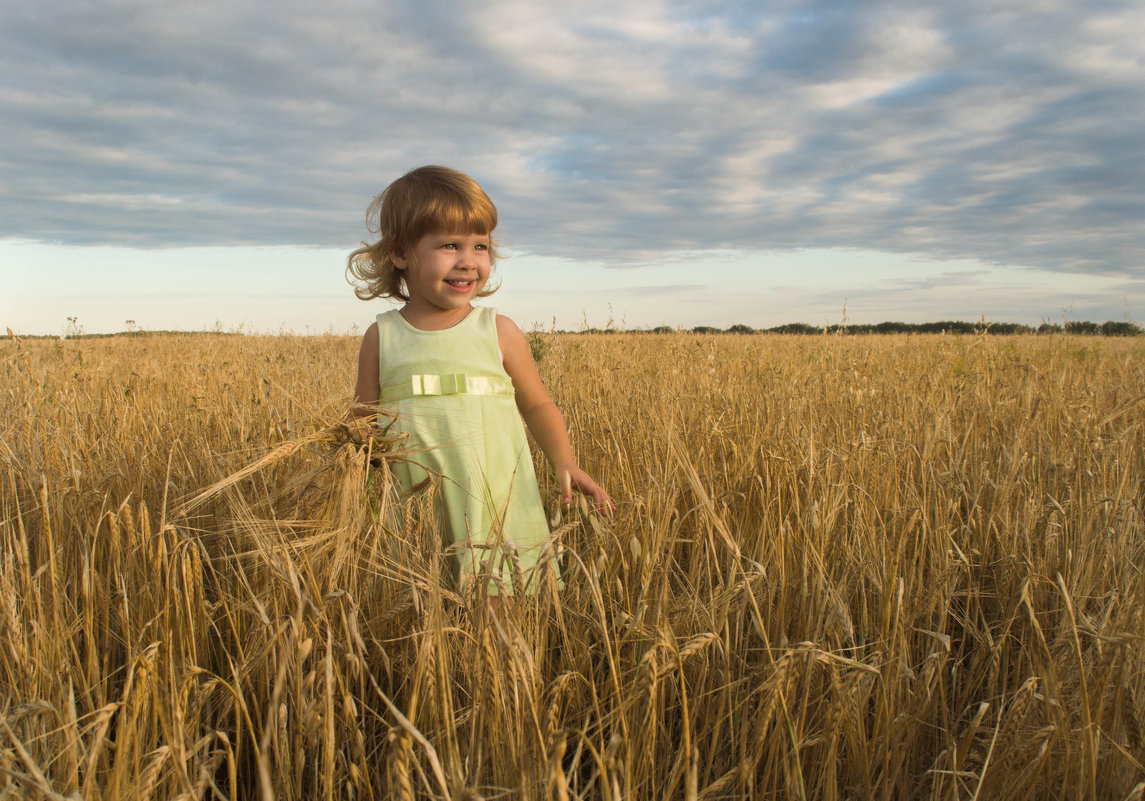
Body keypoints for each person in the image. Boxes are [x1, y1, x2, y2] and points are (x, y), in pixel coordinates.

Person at [347, 165, 613, 595]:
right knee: (420, 615)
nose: (468, 261)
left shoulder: (498, 331)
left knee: (497, 610)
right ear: (399, 253)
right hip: (416, 507)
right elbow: (363, 418)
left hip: (495, 499)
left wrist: (564, 460)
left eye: (480, 246)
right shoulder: (383, 337)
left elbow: (537, 404)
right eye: (450, 245)